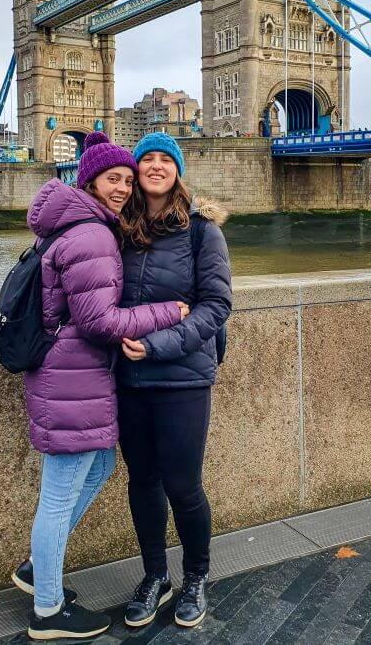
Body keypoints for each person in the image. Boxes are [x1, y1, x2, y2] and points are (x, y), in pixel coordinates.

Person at [14, 132, 187, 641]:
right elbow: (97, 320)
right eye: (114, 178)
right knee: (59, 495)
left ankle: (36, 572)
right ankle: (47, 611)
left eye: (127, 180)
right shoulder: (90, 233)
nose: (123, 188)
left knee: (102, 466)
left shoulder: (72, 223)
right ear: (89, 180)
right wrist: (168, 312)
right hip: (73, 380)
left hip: (67, 377)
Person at [117, 132, 233, 629]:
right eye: (148, 159)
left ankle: (195, 577)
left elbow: (217, 305)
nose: (157, 166)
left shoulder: (202, 231)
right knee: (142, 483)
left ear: (178, 171)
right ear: (137, 170)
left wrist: (157, 343)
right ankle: (155, 576)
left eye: (167, 159)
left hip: (183, 377)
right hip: (128, 377)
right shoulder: (117, 228)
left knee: (183, 486)